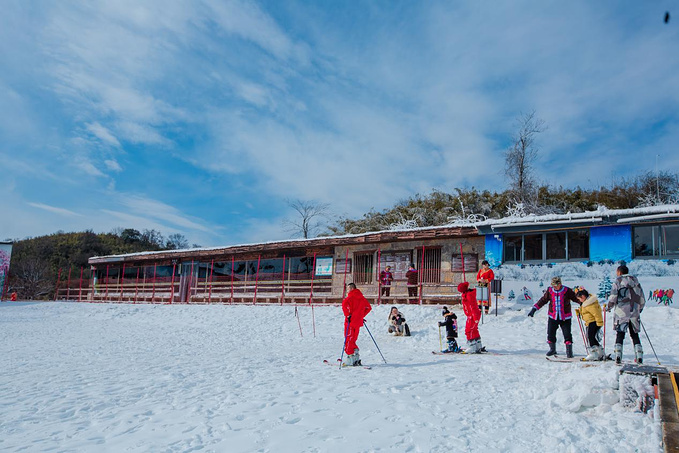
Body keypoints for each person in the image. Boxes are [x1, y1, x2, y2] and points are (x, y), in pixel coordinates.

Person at [528, 276, 580, 358]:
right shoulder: (550, 291)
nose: (555, 287)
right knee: (550, 334)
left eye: (556, 285)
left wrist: (583, 303)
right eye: (553, 285)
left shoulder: (567, 290)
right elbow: (543, 300)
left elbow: (576, 298)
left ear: (560, 284)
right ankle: (552, 349)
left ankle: (569, 352)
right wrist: (534, 309)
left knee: (567, 334)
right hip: (553, 317)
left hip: (565, 317)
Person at [607, 265, 646, 364]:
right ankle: (639, 355)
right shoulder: (636, 282)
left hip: (621, 312)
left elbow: (613, 297)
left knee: (620, 334)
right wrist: (639, 309)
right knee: (634, 335)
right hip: (634, 311)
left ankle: (618, 355)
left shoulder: (618, 282)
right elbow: (642, 298)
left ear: (619, 272)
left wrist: (609, 306)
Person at [342, 283, 373, 366]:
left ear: (351, 288)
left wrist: (348, 315)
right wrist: (360, 316)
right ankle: (356, 355)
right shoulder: (361, 297)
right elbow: (368, 308)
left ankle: (350, 357)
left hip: (350, 322)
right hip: (357, 322)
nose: (347, 291)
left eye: (348, 289)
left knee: (348, 339)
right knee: (353, 338)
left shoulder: (350, 297)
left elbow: (345, 305)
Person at [575, 289, 604, 361]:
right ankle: (600, 352)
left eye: (579, 298)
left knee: (590, 337)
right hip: (590, 322)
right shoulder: (586, 302)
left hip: (593, 322)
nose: (579, 300)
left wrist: (599, 323)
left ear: (583, 296)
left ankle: (593, 354)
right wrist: (579, 312)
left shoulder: (589, 303)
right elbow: (586, 312)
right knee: (592, 337)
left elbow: (596, 313)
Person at [458, 281, 484, 353]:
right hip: (471, 315)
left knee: (469, 330)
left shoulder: (469, 295)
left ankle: (472, 346)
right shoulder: (466, 294)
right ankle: (478, 345)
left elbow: (473, 307)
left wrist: (475, 317)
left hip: (472, 315)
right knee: (474, 329)